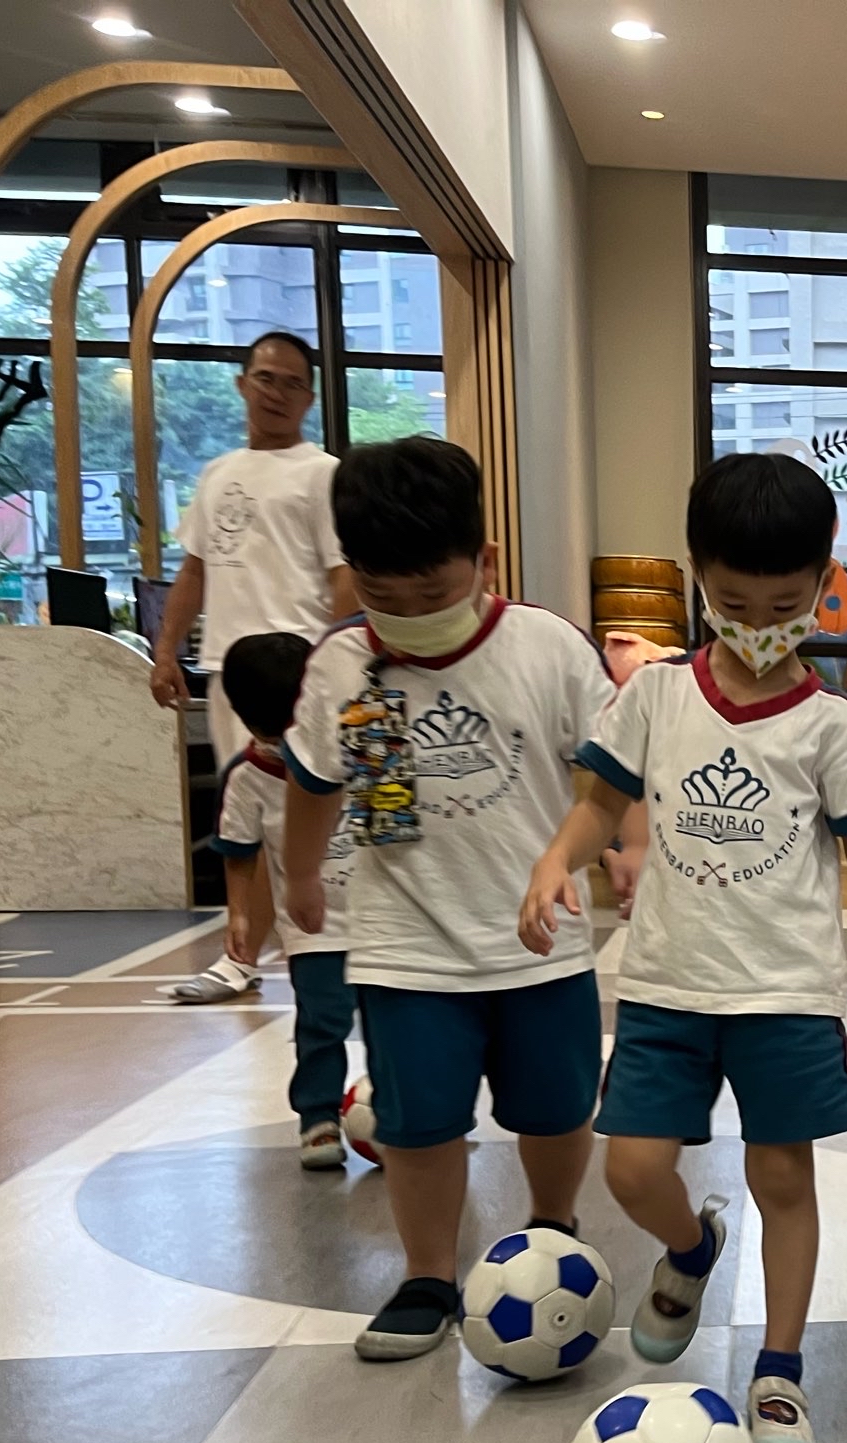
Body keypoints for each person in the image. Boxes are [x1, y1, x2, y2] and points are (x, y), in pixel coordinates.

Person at [522, 452, 847, 1443]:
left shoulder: (828, 723)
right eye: (734, 601)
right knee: (632, 1167)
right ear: (698, 575)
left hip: (786, 991)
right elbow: (599, 802)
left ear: (822, 582)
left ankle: (779, 1371)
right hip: (667, 982)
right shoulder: (656, 696)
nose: (758, 623)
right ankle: (691, 1247)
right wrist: (556, 860)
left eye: (784, 604)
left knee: (782, 1177)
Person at [280, 437, 617, 1360]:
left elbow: (610, 772)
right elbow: (312, 781)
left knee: (556, 1108)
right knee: (417, 1122)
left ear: (485, 563)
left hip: (541, 940)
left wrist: (624, 850)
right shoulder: (341, 665)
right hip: (406, 943)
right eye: (382, 594)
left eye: (432, 592)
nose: (408, 615)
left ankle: (553, 1229)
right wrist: (300, 874)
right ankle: (428, 1274)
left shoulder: (547, 647)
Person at [150, 332, 358, 1007]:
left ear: (310, 397)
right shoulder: (217, 474)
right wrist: (166, 649)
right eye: (265, 378)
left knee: (307, 814)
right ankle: (241, 955)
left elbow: (343, 577)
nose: (276, 392)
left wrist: (334, 662)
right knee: (245, 821)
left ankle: (323, 944)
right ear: (242, 384)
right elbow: (194, 571)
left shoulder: (321, 473)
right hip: (230, 675)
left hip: (300, 675)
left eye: (292, 383)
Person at [210, 632, 361, 1169]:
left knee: (400, 1023)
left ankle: (409, 1114)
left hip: (385, 920)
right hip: (313, 930)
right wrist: (239, 914)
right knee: (322, 1023)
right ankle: (318, 1118)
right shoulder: (247, 777)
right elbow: (238, 849)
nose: (285, 743)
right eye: (273, 733)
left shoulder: (359, 748)